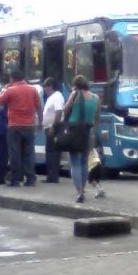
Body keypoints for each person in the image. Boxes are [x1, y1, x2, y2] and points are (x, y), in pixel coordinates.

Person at [0, 67, 42, 187]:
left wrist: (5, 88)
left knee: (15, 153)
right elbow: (39, 108)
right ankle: (31, 179)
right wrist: (40, 123)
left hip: (14, 125)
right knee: (29, 152)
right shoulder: (33, 90)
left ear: (12, 79)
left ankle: (15, 179)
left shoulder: (10, 90)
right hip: (29, 125)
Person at [62, 74, 101, 203]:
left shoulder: (75, 94)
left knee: (75, 162)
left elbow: (66, 109)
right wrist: (93, 132)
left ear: (75, 85)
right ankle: (82, 188)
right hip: (88, 131)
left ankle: (79, 193)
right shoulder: (96, 98)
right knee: (84, 162)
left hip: (75, 131)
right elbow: (97, 117)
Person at [42, 77, 65, 184]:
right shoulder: (52, 97)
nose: (44, 90)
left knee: (52, 152)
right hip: (51, 127)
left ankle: (52, 177)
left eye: (45, 87)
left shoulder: (57, 96)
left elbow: (59, 112)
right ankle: (51, 176)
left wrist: (53, 126)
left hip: (54, 128)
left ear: (50, 87)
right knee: (51, 152)